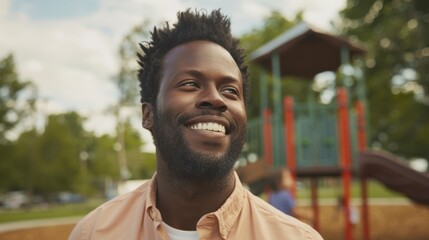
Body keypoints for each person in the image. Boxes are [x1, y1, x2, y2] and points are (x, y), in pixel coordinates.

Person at [69, 9, 323, 240]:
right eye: (190, 84)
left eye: (230, 90)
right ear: (148, 114)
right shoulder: (93, 233)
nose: (215, 99)